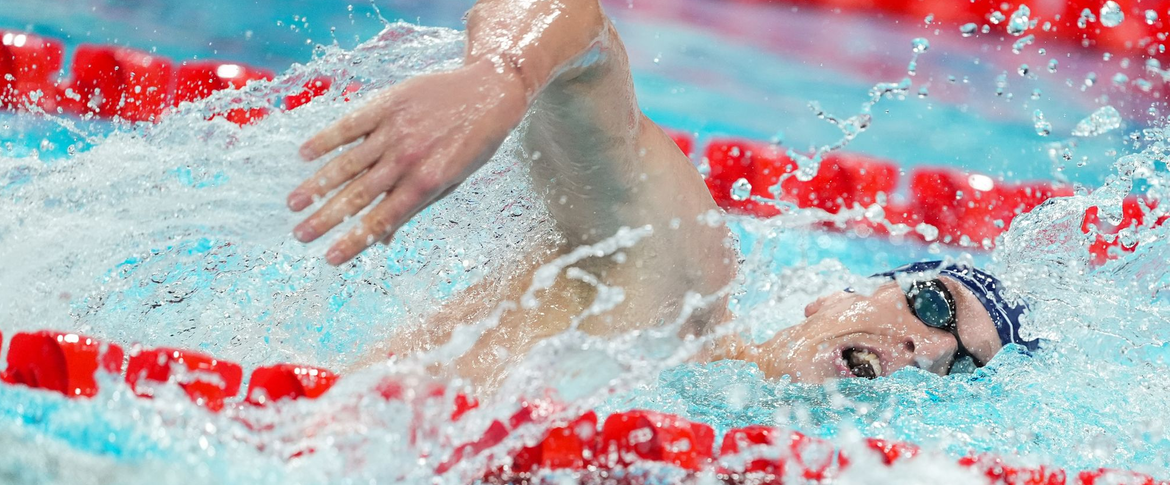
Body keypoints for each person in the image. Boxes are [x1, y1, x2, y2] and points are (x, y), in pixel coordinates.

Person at [284, 0, 1037, 387]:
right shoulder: (677, 292)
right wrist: (502, 78)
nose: (925, 347)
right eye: (933, 306)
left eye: (960, 367)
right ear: (841, 294)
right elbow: (583, 30)